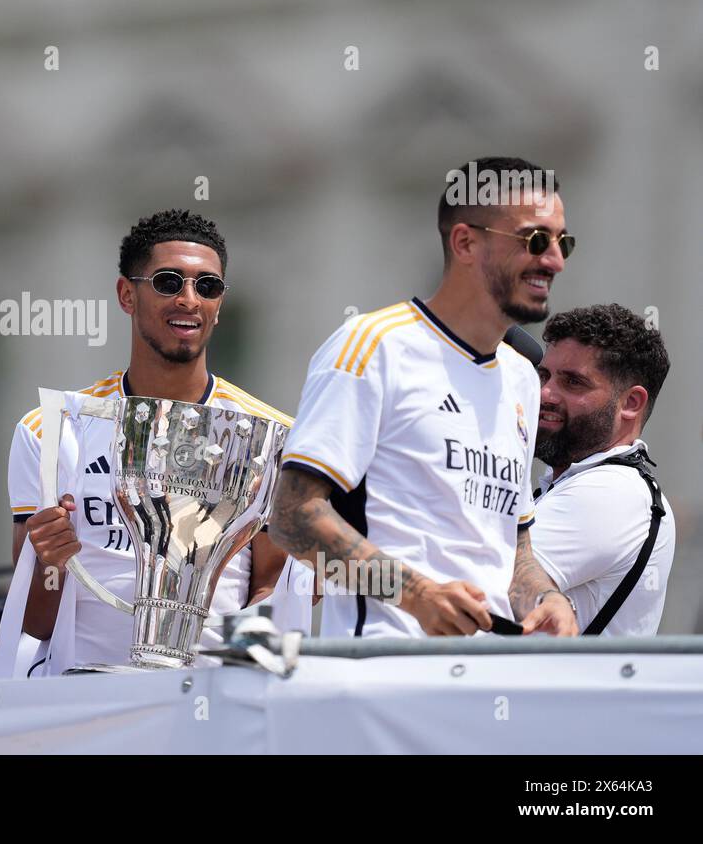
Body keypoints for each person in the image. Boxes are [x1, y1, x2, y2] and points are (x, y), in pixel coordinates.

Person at [269, 157, 579, 637]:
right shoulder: (373, 344)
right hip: (386, 673)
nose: (554, 260)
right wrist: (416, 595)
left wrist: (546, 597)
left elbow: (514, 546)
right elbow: (292, 519)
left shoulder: (521, 377)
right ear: (466, 242)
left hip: (492, 680)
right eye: (535, 240)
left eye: (564, 242)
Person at [0, 209, 306, 678]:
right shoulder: (54, 429)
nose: (188, 299)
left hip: (211, 695)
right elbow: (36, 622)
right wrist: (48, 561)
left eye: (207, 286)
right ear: (126, 294)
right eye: (167, 282)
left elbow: (268, 588)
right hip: (85, 697)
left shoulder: (270, 436)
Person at [530, 304, 674, 635]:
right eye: (544, 376)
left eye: (573, 382)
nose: (545, 393)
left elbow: (471, 585)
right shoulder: (592, 484)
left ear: (631, 403)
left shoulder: (609, 492)